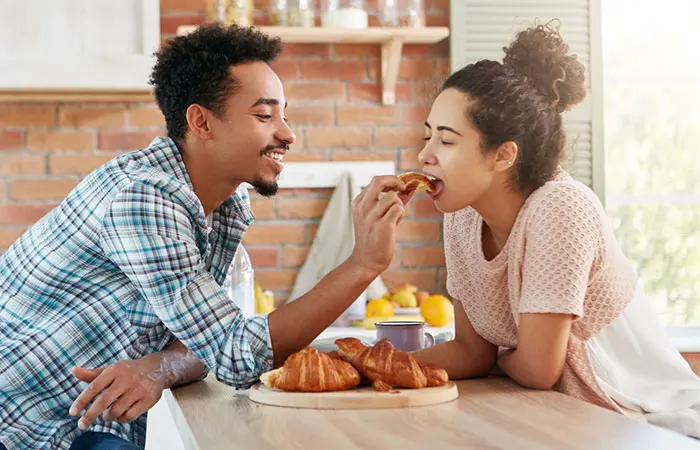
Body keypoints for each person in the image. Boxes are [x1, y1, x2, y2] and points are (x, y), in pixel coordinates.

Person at [0, 24, 407, 450]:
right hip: (19, 426)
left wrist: (160, 366)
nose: (287, 134)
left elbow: (202, 345)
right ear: (201, 122)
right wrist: (364, 264)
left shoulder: (223, 205)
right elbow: (235, 355)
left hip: (84, 422)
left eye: (285, 115)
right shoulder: (145, 199)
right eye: (265, 116)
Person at [409, 23, 700, 439]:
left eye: (447, 141)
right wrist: (372, 363)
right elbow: (472, 352)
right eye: (427, 136)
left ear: (504, 155)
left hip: (643, 420)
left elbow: (537, 369)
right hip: (561, 418)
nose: (425, 154)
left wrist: (503, 359)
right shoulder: (461, 215)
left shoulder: (560, 207)